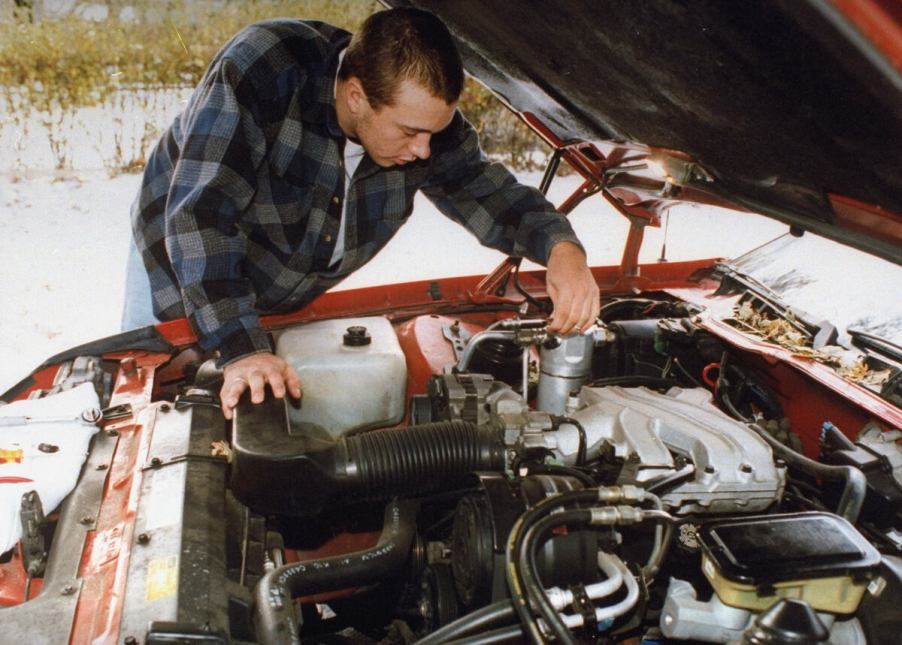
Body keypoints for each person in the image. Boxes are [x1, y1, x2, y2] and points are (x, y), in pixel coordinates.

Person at [124, 8, 600, 420]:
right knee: (166, 413)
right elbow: (202, 217)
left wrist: (561, 249)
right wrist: (241, 347)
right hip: (181, 264)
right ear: (356, 97)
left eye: (434, 133)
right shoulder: (263, 69)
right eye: (411, 132)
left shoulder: (422, 127)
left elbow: (489, 193)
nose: (423, 151)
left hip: (284, 287)